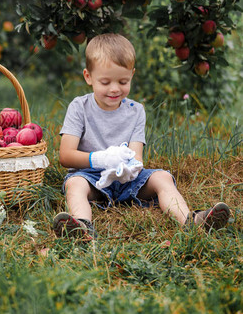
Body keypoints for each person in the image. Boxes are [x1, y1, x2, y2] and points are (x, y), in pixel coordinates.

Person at [54, 33, 230, 241]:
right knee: (75, 185)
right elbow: (65, 156)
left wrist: (129, 166)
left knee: (162, 177)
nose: (114, 89)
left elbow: (137, 157)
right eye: (105, 82)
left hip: (128, 180)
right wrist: (101, 159)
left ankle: (190, 222)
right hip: (91, 178)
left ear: (132, 75)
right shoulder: (79, 107)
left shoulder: (136, 111)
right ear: (88, 77)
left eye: (123, 81)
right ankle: (81, 227)